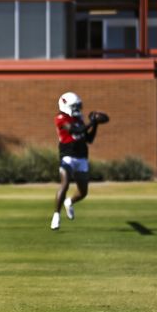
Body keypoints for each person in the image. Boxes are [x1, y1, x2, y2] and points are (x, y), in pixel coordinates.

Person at [51, 92, 106, 230]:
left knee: (83, 192)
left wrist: (96, 125)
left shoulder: (79, 119)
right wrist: (92, 121)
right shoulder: (61, 118)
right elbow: (75, 130)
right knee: (65, 183)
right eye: (75, 106)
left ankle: (69, 202)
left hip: (81, 156)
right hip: (67, 155)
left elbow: (89, 139)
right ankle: (56, 215)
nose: (78, 109)